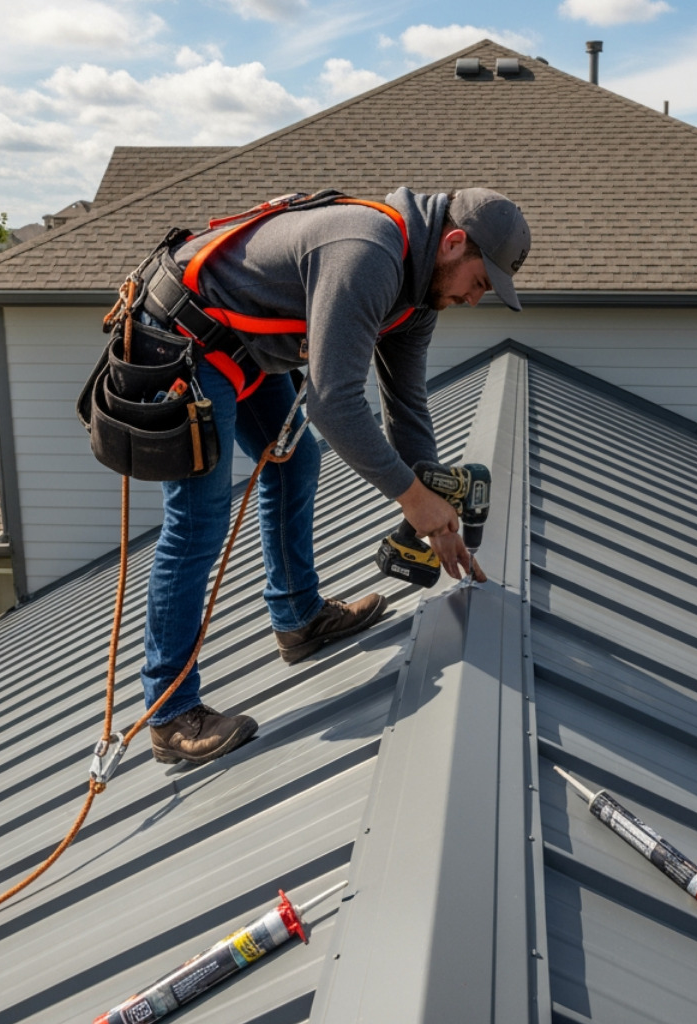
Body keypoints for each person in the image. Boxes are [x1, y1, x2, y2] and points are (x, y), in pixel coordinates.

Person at [136, 186, 532, 766]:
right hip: (186, 333)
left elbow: (405, 403)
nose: (476, 298)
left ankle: (298, 618)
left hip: (242, 341)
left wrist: (434, 508)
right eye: (480, 281)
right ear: (452, 243)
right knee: (199, 519)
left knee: (296, 460)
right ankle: (169, 713)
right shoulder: (369, 252)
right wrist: (413, 499)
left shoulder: (421, 292)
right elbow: (336, 403)